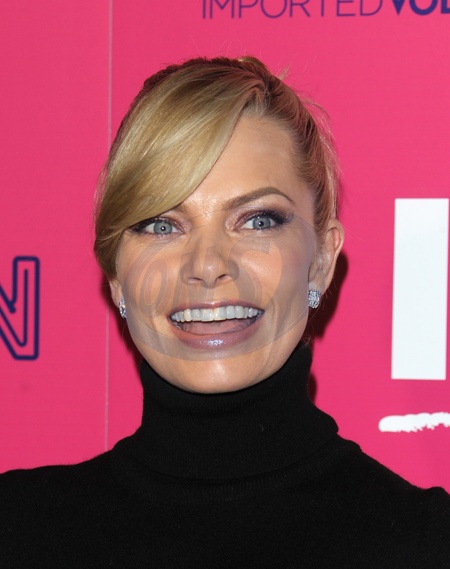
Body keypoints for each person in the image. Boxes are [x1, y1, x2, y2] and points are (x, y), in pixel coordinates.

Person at [1, 56, 449, 568]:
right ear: (117, 276)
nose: (208, 265)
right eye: (162, 225)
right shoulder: (18, 528)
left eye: (257, 220)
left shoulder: (426, 543)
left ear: (322, 261)